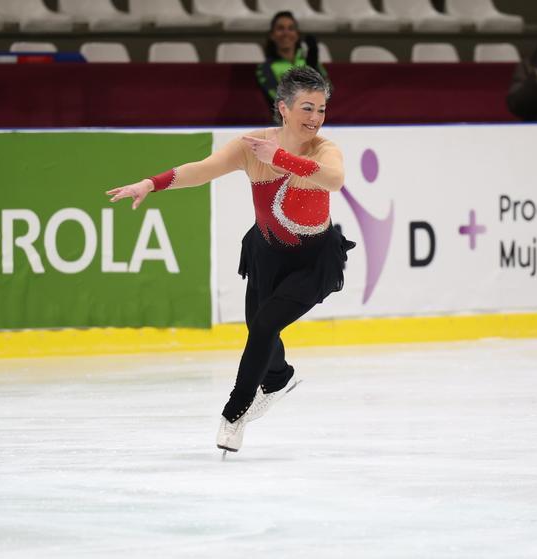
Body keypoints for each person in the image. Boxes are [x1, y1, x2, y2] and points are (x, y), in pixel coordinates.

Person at [106, 67, 354, 455]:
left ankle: (234, 414)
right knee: (258, 326)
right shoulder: (250, 147)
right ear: (283, 108)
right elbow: (201, 171)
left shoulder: (323, 149)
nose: (315, 118)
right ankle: (278, 378)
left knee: (266, 324)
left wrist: (284, 159)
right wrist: (150, 184)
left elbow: (335, 180)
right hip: (266, 253)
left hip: (313, 260)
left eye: (321, 109)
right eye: (307, 108)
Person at [255, 11, 330, 120]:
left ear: (297, 34)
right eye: (280, 28)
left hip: (314, 123)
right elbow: (278, 98)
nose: (286, 33)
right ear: (272, 35)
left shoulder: (310, 62)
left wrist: (314, 67)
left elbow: (328, 91)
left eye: (291, 28)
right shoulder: (264, 68)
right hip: (283, 126)